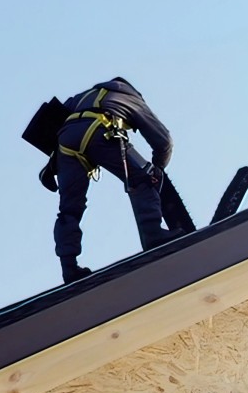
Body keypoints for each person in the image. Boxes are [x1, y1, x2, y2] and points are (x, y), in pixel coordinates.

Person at [39, 78, 176, 284]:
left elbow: (55, 125)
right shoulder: (132, 99)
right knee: (142, 179)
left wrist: (53, 165)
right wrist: (158, 168)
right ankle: (153, 235)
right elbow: (163, 140)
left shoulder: (81, 98)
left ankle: (69, 268)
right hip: (100, 131)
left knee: (69, 209)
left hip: (65, 145)